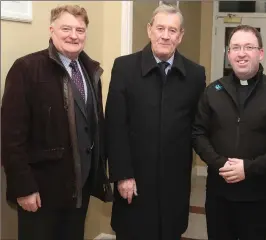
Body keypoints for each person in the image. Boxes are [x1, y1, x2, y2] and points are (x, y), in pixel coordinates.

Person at [1, 5, 112, 240]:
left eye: (80, 30)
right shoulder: (26, 69)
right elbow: (11, 136)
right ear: (52, 30)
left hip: (79, 190)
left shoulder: (91, 71)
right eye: (66, 28)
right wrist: (23, 187)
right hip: (41, 191)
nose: (74, 35)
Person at [105, 3, 206, 240]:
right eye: (160, 28)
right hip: (133, 179)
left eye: (172, 30)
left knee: (169, 232)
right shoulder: (124, 67)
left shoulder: (195, 74)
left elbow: (197, 126)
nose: (165, 35)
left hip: (175, 180)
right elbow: (115, 125)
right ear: (149, 29)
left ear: (180, 36)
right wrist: (122, 174)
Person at [192, 25, 266, 240]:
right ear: (228, 54)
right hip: (218, 195)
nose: (242, 53)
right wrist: (220, 162)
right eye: (236, 47)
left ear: (261, 53)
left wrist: (248, 168)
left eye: (249, 47)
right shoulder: (213, 91)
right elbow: (198, 133)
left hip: (259, 196)